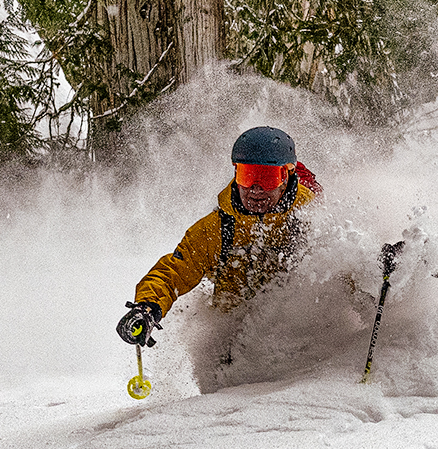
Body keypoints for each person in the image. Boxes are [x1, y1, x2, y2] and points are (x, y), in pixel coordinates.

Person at [117, 125, 319, 349]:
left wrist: (364, 286)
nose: (256, 189)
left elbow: (344, 265)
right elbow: (173, 272)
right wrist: (147, 307)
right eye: (247, 176)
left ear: (287, 177)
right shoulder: (217, 229)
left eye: (267, 178)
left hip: (304, 345)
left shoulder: (311, 218)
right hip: (235, 347)